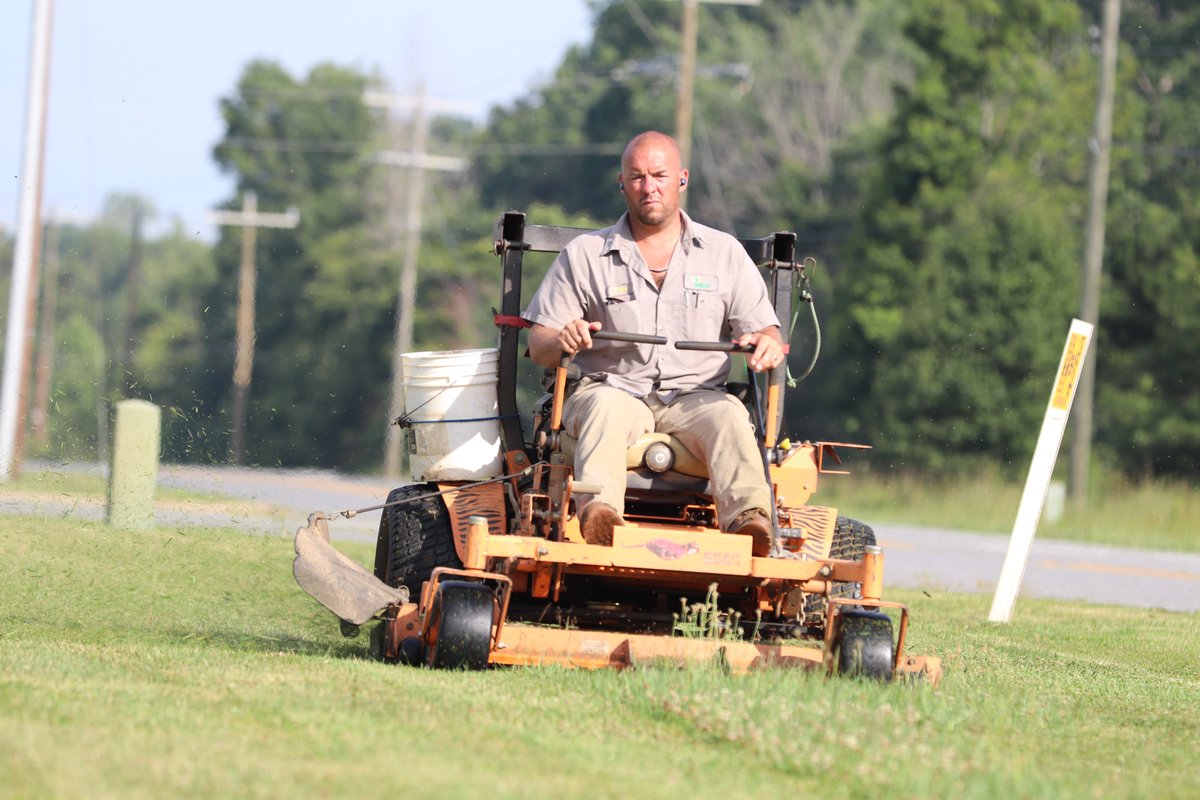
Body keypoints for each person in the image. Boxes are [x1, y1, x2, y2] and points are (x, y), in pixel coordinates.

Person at [522, 131, 786, 555]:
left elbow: (767, 333)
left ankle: (749, 523)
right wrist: (563, 338)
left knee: (731, 417)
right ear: (621, 183)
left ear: (682, 179)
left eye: (659, 175)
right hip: (613, 390)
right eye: (638, 177)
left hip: (697, 398)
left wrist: (768, 343)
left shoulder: (725, 254)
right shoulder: (584, 255)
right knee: (603, 408)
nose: (649, 187)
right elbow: (539, 345)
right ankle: (600, 516)